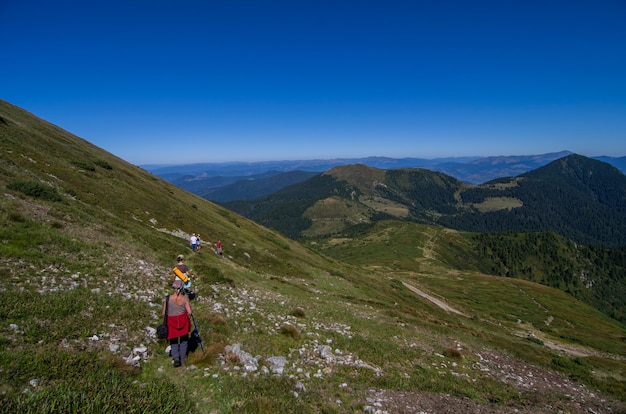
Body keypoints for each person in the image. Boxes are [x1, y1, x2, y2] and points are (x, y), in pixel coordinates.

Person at [163, 279, 193, 367]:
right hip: (183, 321)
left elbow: (164, 313)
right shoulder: (185, 299)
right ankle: (182, 359)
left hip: (171, 321)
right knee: (184, 340)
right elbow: (190, 312)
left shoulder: (168, 299)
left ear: (173, 288)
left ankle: (176, 357)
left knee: (173, 340)